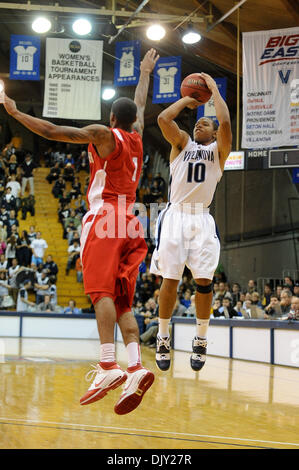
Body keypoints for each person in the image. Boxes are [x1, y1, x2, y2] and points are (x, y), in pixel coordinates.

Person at [2, 48, 159, 415]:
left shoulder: (105, 135)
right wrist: (145, 72)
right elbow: (137, 102)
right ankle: (135, 367)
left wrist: (13, 112)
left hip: (105, 215)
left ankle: (108, 365)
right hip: (132, 220)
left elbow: (53, 131)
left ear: (110, 118)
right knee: (121, 299)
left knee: (100, 290)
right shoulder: (136, 137)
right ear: (134, 121)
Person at [150, 72, 232, 372]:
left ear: (213, 133)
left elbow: (225, 123)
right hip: (176, 214)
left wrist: (212, 90)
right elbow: (163, 119)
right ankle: (162, 336)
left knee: (204, 281)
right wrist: (189, 99)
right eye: (199, 121)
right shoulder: (182, 144)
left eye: (205, 123)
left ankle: (200, 338)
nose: (200, 123)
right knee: (170, 278)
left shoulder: (219, 152)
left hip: (202, 217)